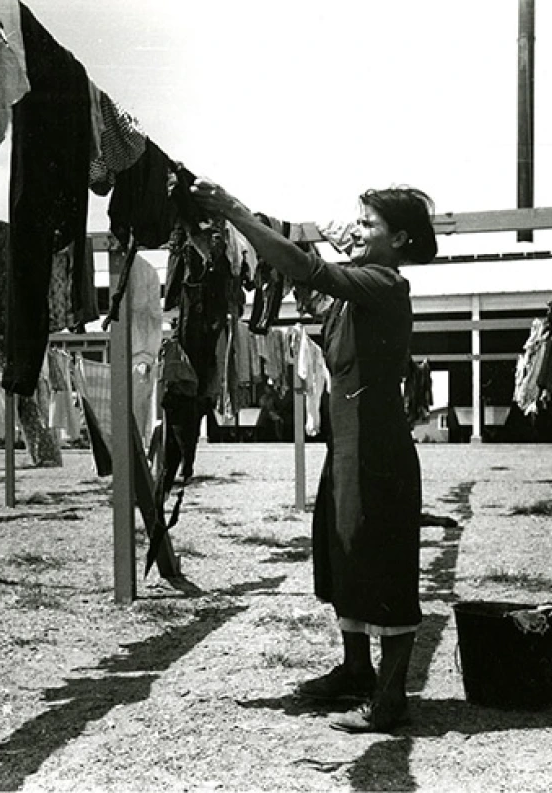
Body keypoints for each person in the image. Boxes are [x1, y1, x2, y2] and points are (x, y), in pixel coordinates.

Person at [189, 178, 435, 733]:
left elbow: (308, 270)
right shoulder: (356, 294)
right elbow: (312, 280)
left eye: (369, 224)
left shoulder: (384, 283)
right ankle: (355, 671)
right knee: (344, 551)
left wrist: (232, 210)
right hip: (347, 446)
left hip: (377, 452)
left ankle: (391, 699)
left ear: (398, 238)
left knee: (385, 568)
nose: (358, 230)